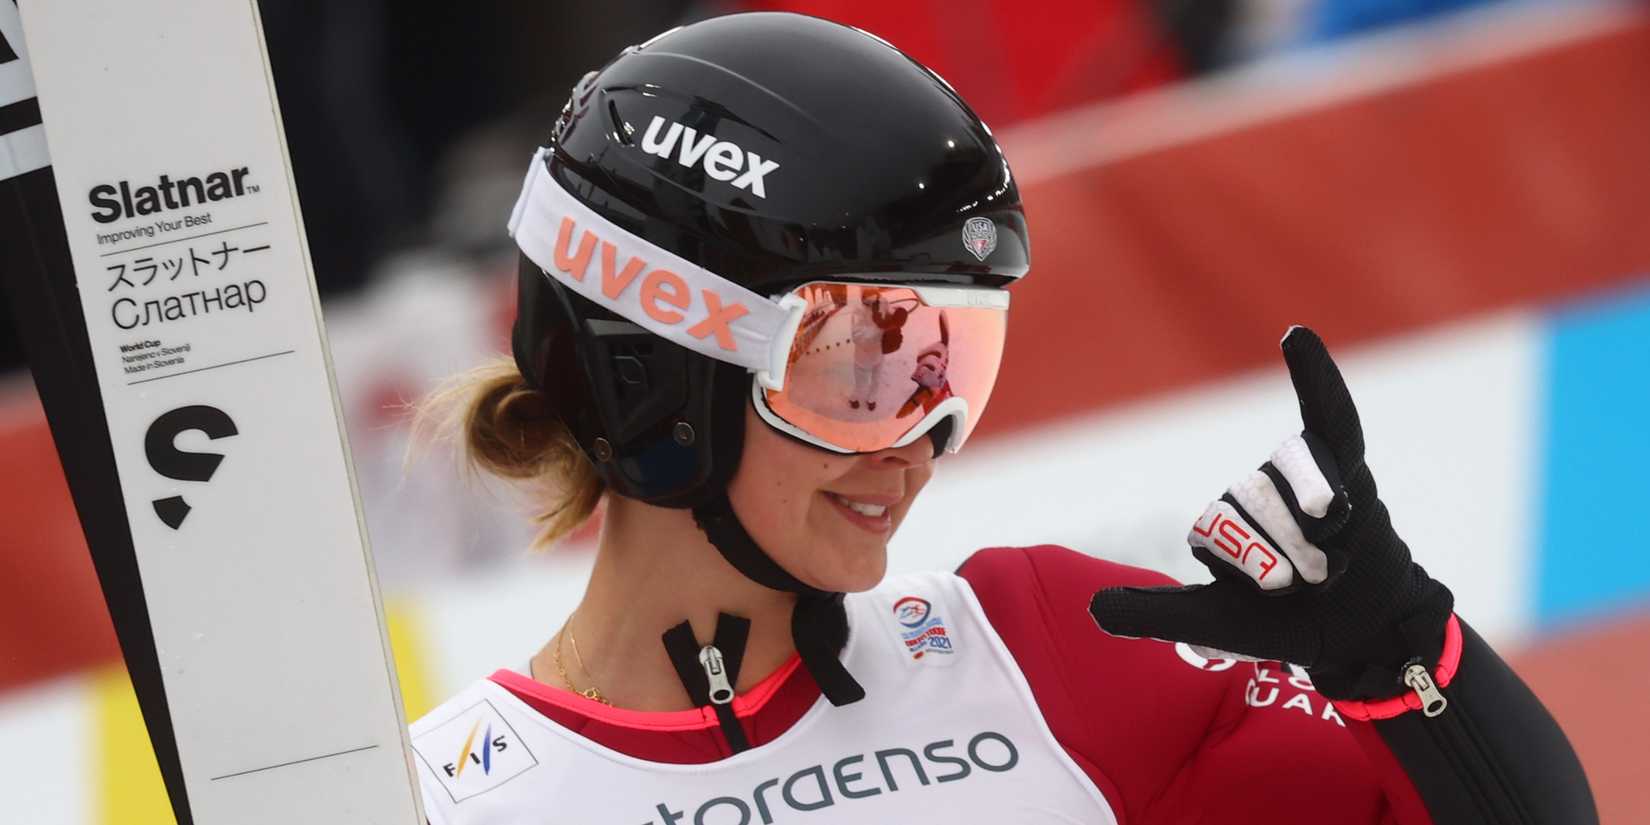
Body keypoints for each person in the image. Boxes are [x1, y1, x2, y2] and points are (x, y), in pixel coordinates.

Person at [410, 13, 1595, 824]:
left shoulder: (1042, 649)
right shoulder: (420, 797)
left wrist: (1403, 653)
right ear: (655, 372)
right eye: (864, 371)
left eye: (952, 365)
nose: (920, 441)